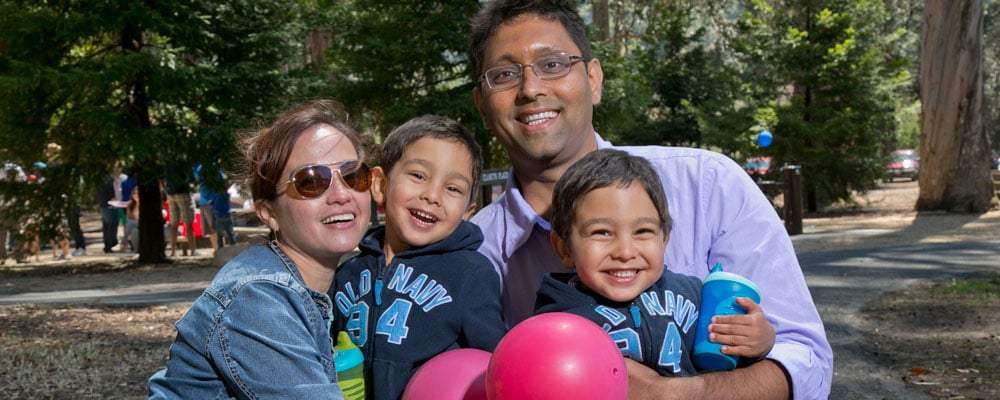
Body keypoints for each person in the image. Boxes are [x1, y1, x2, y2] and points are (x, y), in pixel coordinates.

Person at [466, 1, 832, 398]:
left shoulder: (707, 186)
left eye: (552, 64)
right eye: (504, 74)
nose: (531, 88)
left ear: (594, 79)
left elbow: (803, 359)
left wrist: (672, 394)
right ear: (482, 106)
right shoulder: (472, 251)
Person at [148, 98, 372, 399]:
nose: (341, 194)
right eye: (310, 181)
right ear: (268, 212)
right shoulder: (259, 298)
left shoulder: (325, 289)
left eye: (353, 175)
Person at [535, 149, 775, 377]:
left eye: (642, 231)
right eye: (602, 232)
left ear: (664, 240)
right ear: (564, 248)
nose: (625, 252)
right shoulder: (557, 321)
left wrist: (759, 340)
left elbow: (729, 353)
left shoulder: (695, 296)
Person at [331, 115, 507, 400]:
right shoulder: (346, 273)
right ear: (380, 185)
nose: (432, 195)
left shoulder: (470, 274)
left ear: (467, 212)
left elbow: (492, 364)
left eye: (453, 189)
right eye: (418, 176)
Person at [161, 161, 197, 257]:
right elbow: (192, 179)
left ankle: (173, 251)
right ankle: (193, 251)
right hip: (183, 193)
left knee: (174, 223)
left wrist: (166, 191)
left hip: (171, 194)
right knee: (188, 223)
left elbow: (160, 178)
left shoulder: (167, 161)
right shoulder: (185, 161)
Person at [95, 172, 120, 254]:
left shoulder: (98, 178)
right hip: (109, 204)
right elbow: (111, 190)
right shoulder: (107, 178)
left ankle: (107, 245)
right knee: (111, 225)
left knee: (106, 225)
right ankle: (111, 244)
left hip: (103, 204)